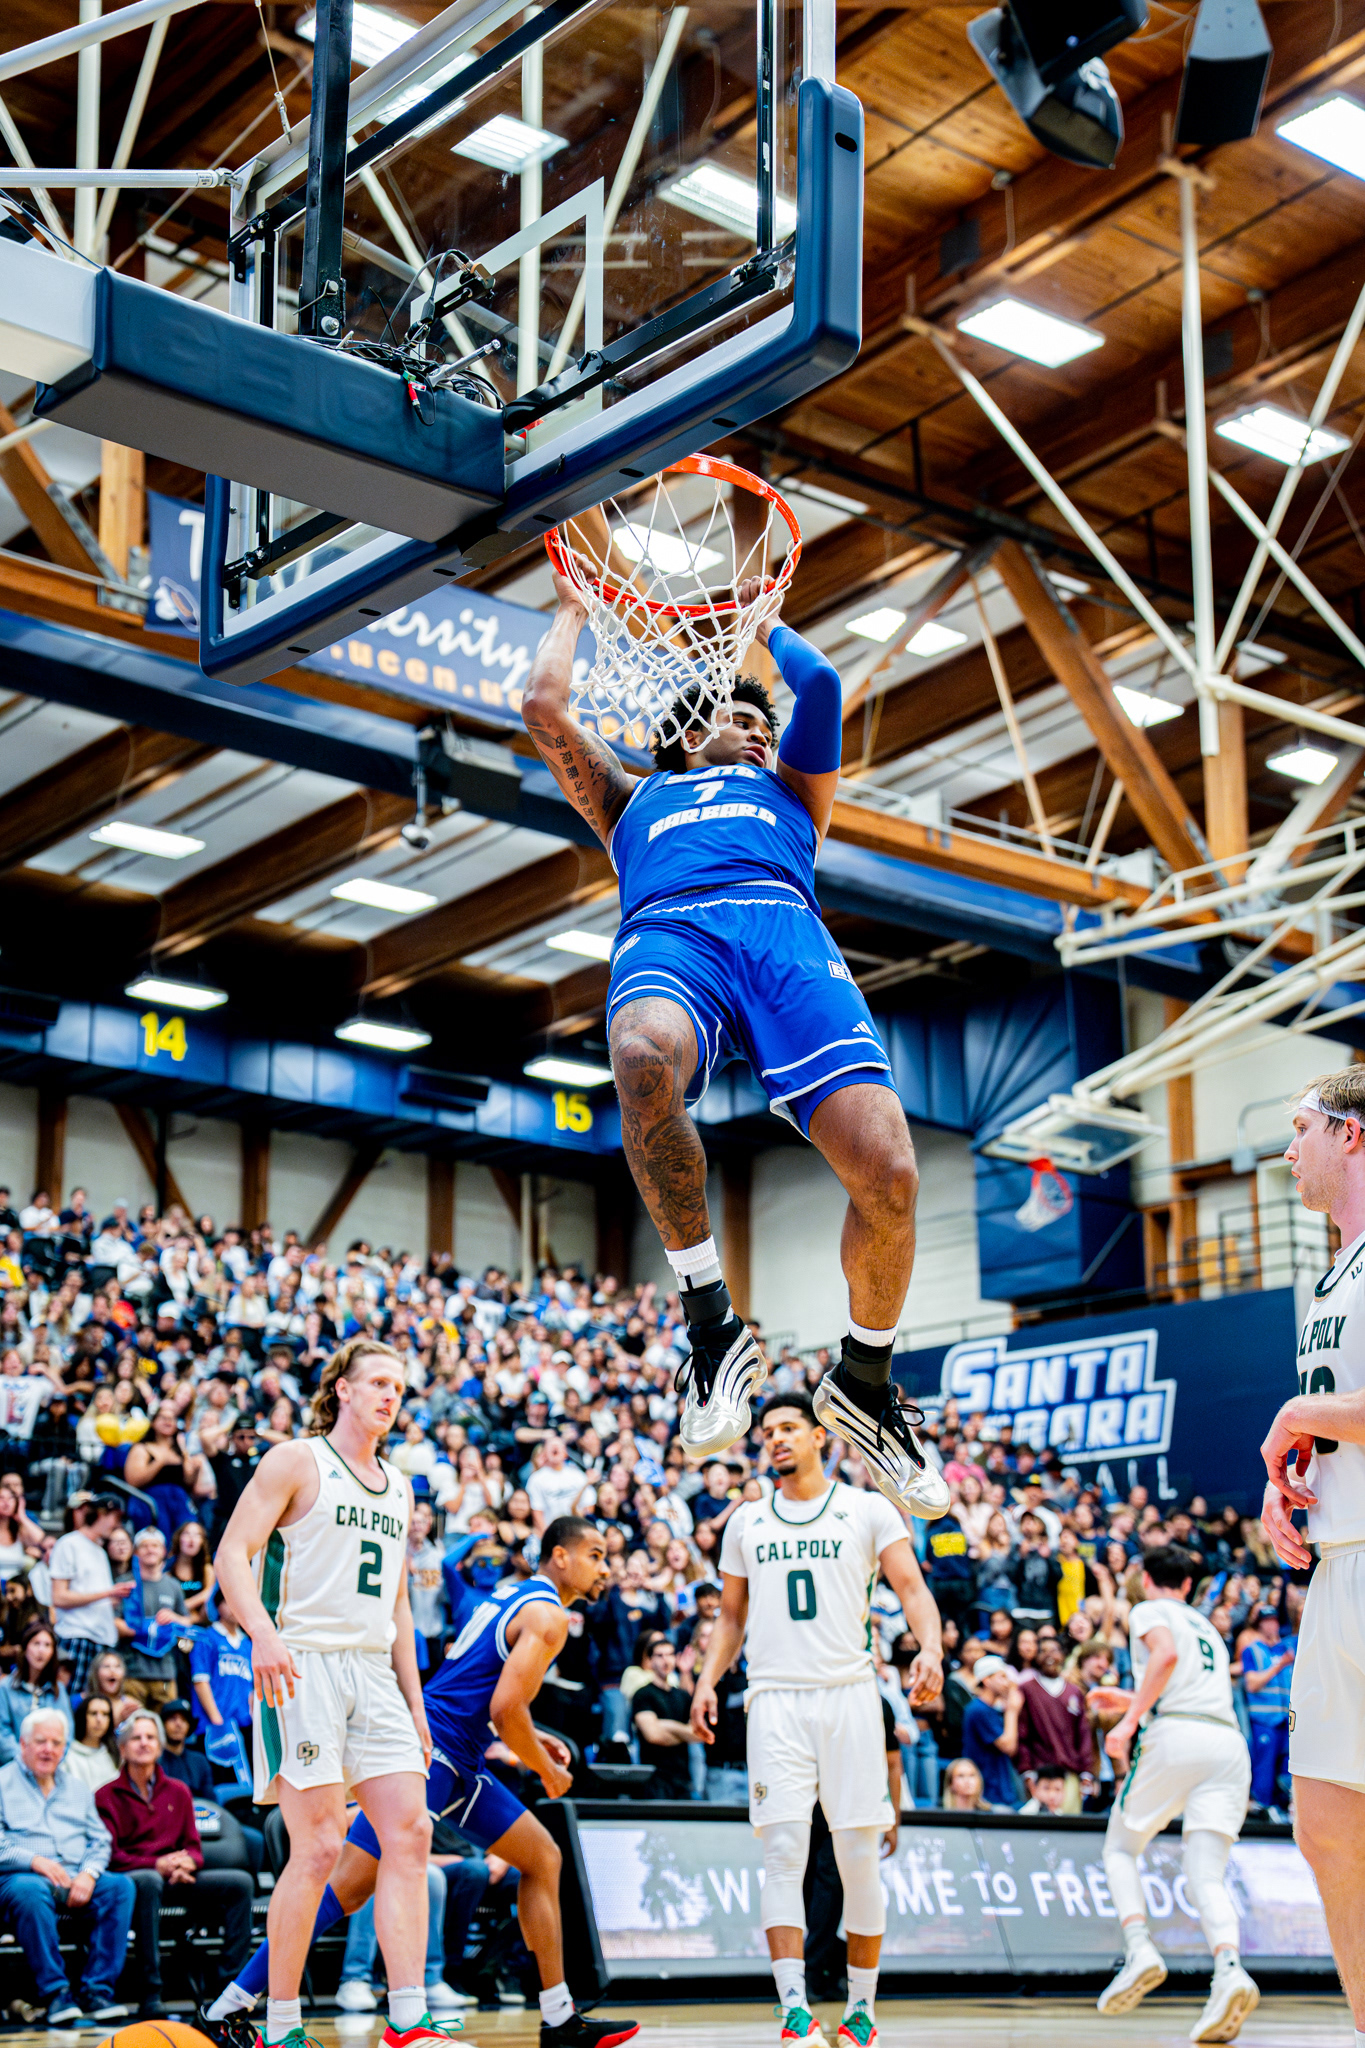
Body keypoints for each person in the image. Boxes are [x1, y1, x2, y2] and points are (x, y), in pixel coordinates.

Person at [521, 562, 948, 1520]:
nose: (758, 729)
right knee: (639, 1059)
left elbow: (821, 687)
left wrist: (764, 618)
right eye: (738, 716)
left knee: (890, 1176)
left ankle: (865, 1382)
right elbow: (541, 706)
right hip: (673, 935)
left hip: (785, 939)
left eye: (763, 721)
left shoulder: (791, 789)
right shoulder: (631, 799)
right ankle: (711, 1326)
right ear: (684, 733)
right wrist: (571, 611)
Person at [204, 1516, 640, 2048]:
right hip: (435, 1752)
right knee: (344, 1888)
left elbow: (486, 1693)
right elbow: (504, 1709)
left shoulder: (514, 1595)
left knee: (543, 1857)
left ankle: (559, 2017)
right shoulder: (549, 1616)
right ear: (561, 1556)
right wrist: (546, 1769)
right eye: (596, 1555)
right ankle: (231, 2004)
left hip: (459, 1754)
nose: (605, 1567)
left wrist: (535, 1738)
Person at [690, 1390, 942, 2048]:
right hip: (774, 1698)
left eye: (788, 1428)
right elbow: (730, 1618)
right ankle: (793, 2011)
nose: (775, 1438)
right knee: (781, 1853)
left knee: (858, 1858)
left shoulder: (867, 1509)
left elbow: (913, 1589)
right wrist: (706, 1681)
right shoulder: (746, 1522)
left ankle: (861, 2011)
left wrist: (931, 1649)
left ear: (819, 1436)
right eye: (767, 1431)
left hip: (849, 1695)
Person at [213, 1337, 439, 2048]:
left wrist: (415, 1702)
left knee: (411, 1831)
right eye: (377, 1381)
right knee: (316, 1848)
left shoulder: (399, 1485)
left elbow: (399, 1603)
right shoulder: (295, 1459)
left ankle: (409, 2018)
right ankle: (281, 2024)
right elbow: (231, 1553)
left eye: (398, 1386)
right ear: (342, 1388)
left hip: (374, 1669)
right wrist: (261, 1633)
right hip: (301, 1663)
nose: (390, 1394)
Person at [1260, 1069, 1365, 2048]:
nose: (1288, 1150)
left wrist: (1298, 1412)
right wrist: (1293, 1471)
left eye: (1301, 1128)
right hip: (1337, 1565)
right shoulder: (1332, 1274)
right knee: (1327, 1824)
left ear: (1352, 1134)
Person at [1098, 1546, 1258, 2043]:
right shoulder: (1208, 1627)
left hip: (1178, 1735)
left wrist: (1128, 1720)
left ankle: (1140, 1948)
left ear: (1146, 1579)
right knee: (1207, 1873)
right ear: (1188, 1585)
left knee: (1120, 1848)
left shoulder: (1149, 1609)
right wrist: (1134, 1699)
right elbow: (1189, 1686)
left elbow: (1164, 1655)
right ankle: (1229, 1969)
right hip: (1228, 1744)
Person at [97, 1709, 253, 2016]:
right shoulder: (105, 1796)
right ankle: (151, 1991)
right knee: (149, 1882)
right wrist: (157, 1865)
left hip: (177, 1878)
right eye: (136, 1738)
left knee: (240, 1883)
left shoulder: (179, 1791)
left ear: (159, 1746)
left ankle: (229, 1988)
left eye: (151, 1737)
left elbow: (194, 1847)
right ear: (123, 1748)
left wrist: (187, 1864)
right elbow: (112, 1857)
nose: (144, 1743)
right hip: (138, 1879)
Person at [0, 1707, 136, 2025]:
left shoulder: (77, 1788)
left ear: (65, 1748)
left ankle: (97, 1991)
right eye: (41, 1741)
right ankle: (56, 1993)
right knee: (29, 1891)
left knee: (120, 1887)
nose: (48, 1749)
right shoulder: (2, 1782)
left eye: (56, 1743)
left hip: (75, 1876)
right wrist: (34, 1861)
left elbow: (100, 1840)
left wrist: (89, 1874)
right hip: (21, 1877)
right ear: (23, 1744)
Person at [49, 1495, 132, 1696]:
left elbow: (95, 1595)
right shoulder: (69, 1544)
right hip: (78, 1637)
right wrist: (107, 1593)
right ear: (101, 1514)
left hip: (102, 1640)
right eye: (115, 1518)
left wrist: (112, 1599)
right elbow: (59, 1597)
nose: (117, 1525)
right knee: (71, 1701)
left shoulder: (100, 1551)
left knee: (97, 1705)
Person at [1015, 1635, 1093, 1815]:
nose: (1049, 1655)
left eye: (1054, 1650)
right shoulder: (1026, 1689)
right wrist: (1027, 1770)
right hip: (1039, 1772)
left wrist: (1086, 1771)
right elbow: (1022, 1733)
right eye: (1043, 1651)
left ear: (1063, 1655)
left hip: (1069, 1772)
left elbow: (1083, 1734)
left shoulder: (1074, 1691)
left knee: (1070, 1825)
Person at [123, 1526, 189, 1708]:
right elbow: (113, 1622)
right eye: (144, 1546)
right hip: (131, 1672)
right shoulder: (126, 1583)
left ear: (164, 1551)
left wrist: (174, 1618)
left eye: (155, 1546)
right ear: (135, 1552)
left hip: (165, 1673)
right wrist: (145, 1628)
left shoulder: (173, 1586)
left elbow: (187, 1622)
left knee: (166, 1723)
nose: (150, 1550)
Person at [1238, 1606, 1295, 1817]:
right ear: (1259, 1625)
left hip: (1286, 1720)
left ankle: (1283, 1809)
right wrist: (1279, 1666)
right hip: (1264, 1719)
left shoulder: (1285, 1650)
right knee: (1264, 1767)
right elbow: (1252, 1684)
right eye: (1267, 1621)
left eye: (1274, 1620)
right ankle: (1262, 1810)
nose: (1272, 1625)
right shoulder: (1252, 1651)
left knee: (1287, 1768)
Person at [631, 1636, 698, 1798]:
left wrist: (665, 1725)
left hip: (682, 1779)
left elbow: (698, 1733)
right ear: (650, 1660)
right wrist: (684, 1733)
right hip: (654, 1779)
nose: (665, 1660)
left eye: (669, 1655)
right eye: (660, 1656)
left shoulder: (682, 1695)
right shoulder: (643, 1694)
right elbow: (653, 1735)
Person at [0, 1619, 73, 1764]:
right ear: (25, 1648)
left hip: (49, 1764)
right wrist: (27, 1759)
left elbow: (67, 1732)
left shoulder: (58, 1690)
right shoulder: (6, 1687)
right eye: (36, 1644)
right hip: (13, 1764)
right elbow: (2, 1732)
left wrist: (49, 1759)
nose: (41, 1650)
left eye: (47, 1645)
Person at [961, 1658, 1022, 1811]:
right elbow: (1008, 1745)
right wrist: (1012, 1711)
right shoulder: (979, 1710)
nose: (1007, 1683)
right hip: (989, 1793)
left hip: (1000, 1789)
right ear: (986, 1680)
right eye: (1002, 1677)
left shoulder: (992, 1710)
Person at [66, 1694, 121, 1795]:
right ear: (82, 1716)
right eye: (93, 1713)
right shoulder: (68, 1756)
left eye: (105, 1714)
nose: (99, 1719)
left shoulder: (113, 1754)